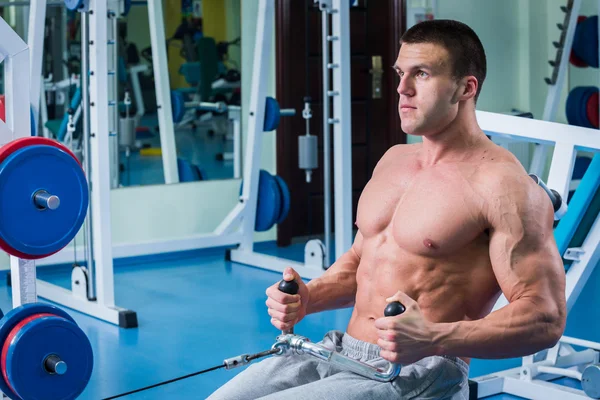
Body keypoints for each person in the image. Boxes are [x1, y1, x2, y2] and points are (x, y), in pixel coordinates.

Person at [208, 19, 566, 400]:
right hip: (340, 350)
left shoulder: (502, 185)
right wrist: (309, 297)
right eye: (400, 73)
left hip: (418, 371)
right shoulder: (395, 160)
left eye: (422, 74)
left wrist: (433, 337)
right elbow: (361, 262)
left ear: (466, 88)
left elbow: (544, 315)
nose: (402, 89)